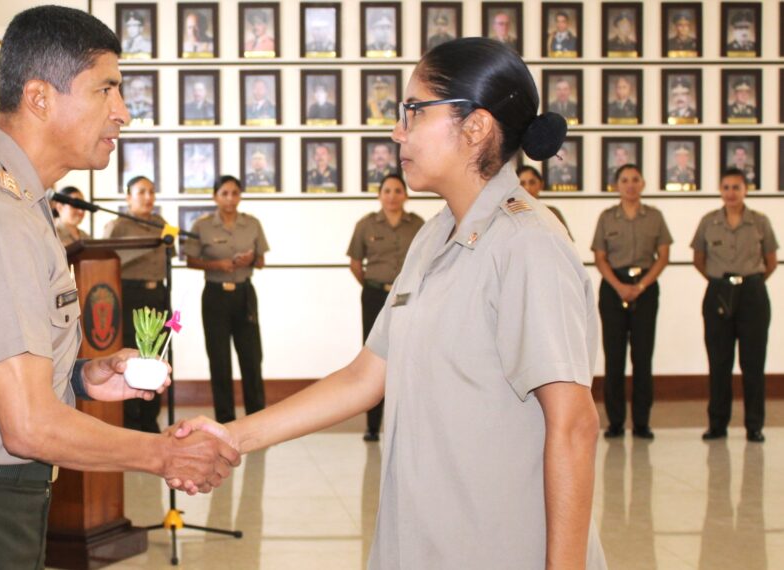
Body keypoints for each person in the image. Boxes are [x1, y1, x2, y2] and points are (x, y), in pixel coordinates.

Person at [176, 38, 606, 568]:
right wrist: (232, 436)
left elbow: (574, 424)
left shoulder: (528, 244)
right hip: (425, 539)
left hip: (498, 545)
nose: (397, 131)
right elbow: (365, 377)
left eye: (413, 112)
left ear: (475, 127)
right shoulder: (434, 237)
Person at [0, 8, 240, 568]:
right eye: (106, 89)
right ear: (40, 97)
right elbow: (29, 425)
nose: (122, 112)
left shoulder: (18, 198)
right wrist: (163, 455)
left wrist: (83, 376)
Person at [692, 169, 777, 443]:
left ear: (746, 190)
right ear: (720, 189)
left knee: (753, 364)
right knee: (719, 363)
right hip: (718, 291)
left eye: (736, 187)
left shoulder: (760, 222)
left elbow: (771, 260)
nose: (731, 192)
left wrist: (748, 283)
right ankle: (717, 424)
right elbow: (699, 259)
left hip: (753, 293)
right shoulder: (709, 221)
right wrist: (722, 284)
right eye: (726, 187)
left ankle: (755, 426)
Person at [591, 164, 672, 440]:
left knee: (642, 357)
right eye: (624, 180)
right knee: (614, 358)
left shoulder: (655, 217)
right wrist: (619, 286)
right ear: (617, 186)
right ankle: (615, 423)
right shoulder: (607, 217)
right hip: (613, 289)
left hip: (645, 289)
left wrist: (640, 286)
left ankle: (641, 423)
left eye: (635, 179)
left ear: (643, 183)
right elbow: (600, 257)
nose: (630, 184)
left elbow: (662, 256)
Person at [184, 175, 269, 424]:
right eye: (224, 193)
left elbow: (261, 261)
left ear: (240, 196)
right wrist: (215, 264)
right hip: (215, 295)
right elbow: (190, 260)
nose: (230, 198)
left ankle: (257, 418)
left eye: (235, 193)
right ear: (215, 196)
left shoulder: (252, 223)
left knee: (252, 357)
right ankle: (226, 420)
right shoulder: (202, 225)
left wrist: (250, 260)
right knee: (219, 359)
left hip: (244, 294)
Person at [346, 174, 423, 442]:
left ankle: (402, 424)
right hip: (374, 295)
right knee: (375, 357)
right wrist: (371, 287)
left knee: (407, 356)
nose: (392, 196)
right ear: (380, 195)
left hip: (407, 297)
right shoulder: (366, 225)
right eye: (387, 191)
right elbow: (355, 263)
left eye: (397, 190)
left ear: (406, 195)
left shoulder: (418, 225)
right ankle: (372, 426)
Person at [103, 176, 170, 433]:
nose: (148, 197)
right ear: (128, 196)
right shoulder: (117, 225)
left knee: (156, 355)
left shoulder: (162, 224)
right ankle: (130, 419)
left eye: (151, 192)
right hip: (130, 296)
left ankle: (150, 419)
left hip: (158, 295)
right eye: (141, 192)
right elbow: (106, 263)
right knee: (132, 355)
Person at [516, 165, 570, 237]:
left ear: (541, 184)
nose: (527, 188)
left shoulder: (552, 213)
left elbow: (566, 244)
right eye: (522, 184)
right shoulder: (510, 215)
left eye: (532, 182)